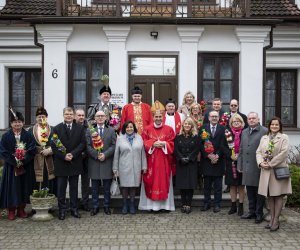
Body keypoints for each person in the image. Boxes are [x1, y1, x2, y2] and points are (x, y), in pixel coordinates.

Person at [139, 101, 176, 212]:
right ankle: (150, 206)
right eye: (156, 116)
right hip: (151, 161)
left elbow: (173, 142)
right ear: (153, 117)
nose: (158, 118)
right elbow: (143, 141)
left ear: (163, 117)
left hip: (164, 162)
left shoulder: (169, 129)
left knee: (163, 183)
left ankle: (165, 206)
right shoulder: (147, 129)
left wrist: (164, 144)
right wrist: (152, 144)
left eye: (160, 116)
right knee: (151, 182)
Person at [256, 117, 292, 231]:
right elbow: (258, 152)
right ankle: (271, 218)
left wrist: (271, 164)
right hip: (266, 171)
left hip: (278, 170)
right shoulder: (264, 137)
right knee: (270, 195)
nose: (274, 126)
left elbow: (283, 153)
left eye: (277, 125)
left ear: (280, 126)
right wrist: (261, 163)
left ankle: (276, 220)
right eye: (272, 124)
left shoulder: (284, 137)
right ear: (269, 126)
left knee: (279, 195)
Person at [51, 107, 86, 220]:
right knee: (61, 189)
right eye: (67, 114)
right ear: (63, 115)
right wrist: (64, 155)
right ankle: (62, 210)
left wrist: (72, 154)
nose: (69, 116)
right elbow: (54, 146)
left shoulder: (80, 128)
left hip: (74, 162)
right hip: (61, 163)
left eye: (71, 114)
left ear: (74, 115)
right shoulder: (56, 129)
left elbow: (82, 144)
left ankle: (74, 209)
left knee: (74, 188)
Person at [0, 110, 36, 220]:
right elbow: (3, 151)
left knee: (23, 187)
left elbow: (32, 149)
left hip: (25, 167)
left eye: (19, 122)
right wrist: (14, 161)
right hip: (11, 167)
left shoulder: (28, 135)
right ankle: (11, 210)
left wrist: (22, 160)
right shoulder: (6, 136)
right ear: (11, 124)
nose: (17, 124)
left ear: (23, 123)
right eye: (15, 122)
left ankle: (21, 209)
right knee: (11, 188)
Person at [237, 112, 267, 224]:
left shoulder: (264, 131)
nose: (251, 120)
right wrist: (240, 164)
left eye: (254, 118)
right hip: (247, 166)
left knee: (260, 191)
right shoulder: (244, 132)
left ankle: (259, 213)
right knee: (249, 191)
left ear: (258, 119)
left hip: (259, 166)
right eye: (249, 118)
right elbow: (241, 150)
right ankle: (251, 211)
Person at [113, 121, 147, 215]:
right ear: (124, 128)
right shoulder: (120, 138)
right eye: (127, 127)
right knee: (124, 187)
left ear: (134, 128)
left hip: (136, 166)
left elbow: (143, 153)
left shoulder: (139, 138)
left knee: (133, 187)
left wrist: (144, 166)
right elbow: (116, 154)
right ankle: (124, 204)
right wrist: (115, 169)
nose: (129, 129)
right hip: (124, 166)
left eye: (131, 127)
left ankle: (132, 204)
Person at [86, 110, 116, 216]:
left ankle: (107, 206)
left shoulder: (111, 130)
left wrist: (105, 155)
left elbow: (113, 145)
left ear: (106, 118)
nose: (100, 118)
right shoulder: (89, 130)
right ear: (95, 118)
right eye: (98, 116)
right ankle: (95, 206)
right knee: (94, 188)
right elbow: (88, 146)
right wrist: (96, 155)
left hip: (107, 161)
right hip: (94, 162)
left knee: (107, 188)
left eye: (102, 116)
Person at [199, 111, 229, 213]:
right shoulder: (203, 128)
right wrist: (208, 156)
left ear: (219, 117)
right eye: (212, 116)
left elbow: (224, 144)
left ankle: (217, 204)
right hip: (207, 161)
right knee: (206, 185)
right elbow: (200, 144)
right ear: (209, 117)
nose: (214, 118)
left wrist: (217, 155)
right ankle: (206, 203)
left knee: (218, 186)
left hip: (218, 161)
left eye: (216, 116)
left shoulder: (223, 129)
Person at [28, 107, 56, 195]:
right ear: (36, 118)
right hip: (35, 160)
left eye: (43, 116)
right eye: (39, 117)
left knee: (48, 181)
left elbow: (58, 144)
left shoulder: (53, 129)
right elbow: (27, 144)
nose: (41, 118)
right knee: (34, 181)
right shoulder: (30, 130)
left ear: (46, 117)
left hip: (49, 159)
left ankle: (48, 204)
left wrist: (51, 150)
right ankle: (36, 205)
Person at [175, 117, 200, 214]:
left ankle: (188, 204)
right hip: (181, 163)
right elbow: (176, 149)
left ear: (192, 126)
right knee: (182, 186)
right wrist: (181, 158)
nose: (187, 125)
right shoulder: (178, 136)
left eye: (189, 124)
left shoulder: (195, 137)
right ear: (183, 125)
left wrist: (189, 158)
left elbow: (196, 149)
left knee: (190, 185)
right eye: (185, 124)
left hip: (191, 164)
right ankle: (183, 204)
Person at [225, 113, 246, 216]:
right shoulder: (227, 133)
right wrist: (231, 155)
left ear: (242, 123)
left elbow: (247, 147)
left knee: (241, 185)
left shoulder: (245, 133)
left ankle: (241, 206)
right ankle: (233, 205)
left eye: (238, 121)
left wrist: (239, 156)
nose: (236, 122)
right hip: (231, 162)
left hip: (242, 162)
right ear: (231, 123)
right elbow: (223, 146)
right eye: (234, 121)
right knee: (232, 185)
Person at [75, 108, 90, 211]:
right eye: (79, 115)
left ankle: (84, 202)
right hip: (75, 158)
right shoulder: (72, 127)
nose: (81, 117)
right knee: (74, 181)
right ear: (75, 116)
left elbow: (90, 142)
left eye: (82, 115)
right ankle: (74, 203)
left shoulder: (88, 127)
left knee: (85, 182)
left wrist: (85, 152)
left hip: (86, 158)